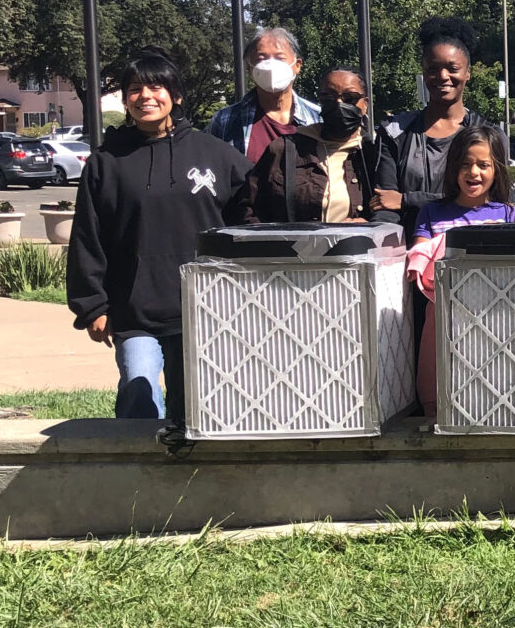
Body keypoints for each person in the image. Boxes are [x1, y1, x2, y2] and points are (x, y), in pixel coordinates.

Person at [67, 50, 249, 420]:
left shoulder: (216, 154)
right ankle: (135, 475)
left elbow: (250, 223)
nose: (145, 96)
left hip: (204, 311)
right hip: (134, 311)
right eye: (135, 89)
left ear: (176, 95)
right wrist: (92, 306)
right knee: (139, 391)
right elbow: (88, 235)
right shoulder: (106, 162)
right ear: (124, 98)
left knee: (196, 408)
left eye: (156, 86)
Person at [406, 125, 515, 415]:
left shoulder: (509, 214)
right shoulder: (431, 213)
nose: (474, 173)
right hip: (444, 316)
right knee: (440, 391)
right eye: (465, 164)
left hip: (497, 318)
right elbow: (421, 257)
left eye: (483, 165)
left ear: (497, 169)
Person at [375, 17, 508, 237]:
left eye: (452, 68)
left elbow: (495, 203)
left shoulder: (490, 135)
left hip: (474, 253)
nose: (443, 76)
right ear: (424, 72)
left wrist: (407, 200)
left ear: (468, 72)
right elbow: (384, 204)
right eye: (433, 69)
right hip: (410, 255)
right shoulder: (394, 132)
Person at [238, 68, 378, 224]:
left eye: (350, 98)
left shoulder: (374, 153)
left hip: (356, 247)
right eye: (328, 97)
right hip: (291, 246)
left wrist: (369, 228)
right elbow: (247, 208)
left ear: (365, 104)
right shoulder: (286, 149)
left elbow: (391, 209)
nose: (339, 104)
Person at [206, 27, 322, 164]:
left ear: (297, 65)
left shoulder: (318, 118)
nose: (271, 66)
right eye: (262, 58)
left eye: (280, 58)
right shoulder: (225, 120)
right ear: (249, 68)